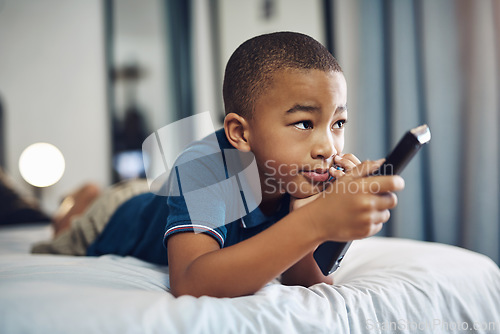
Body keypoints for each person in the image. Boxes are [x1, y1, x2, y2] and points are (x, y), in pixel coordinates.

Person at [32, 32, 404, 298]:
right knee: (68, 227)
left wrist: (329, 219)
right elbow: (191, 281)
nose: (328, 146)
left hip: (164, 194)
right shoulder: (204, 163)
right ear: (240, 133)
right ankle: (80, 199)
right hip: (116, 216)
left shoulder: (298, 178)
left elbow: (304, 280)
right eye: (305, 124)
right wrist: (315, 221)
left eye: (338, 124)